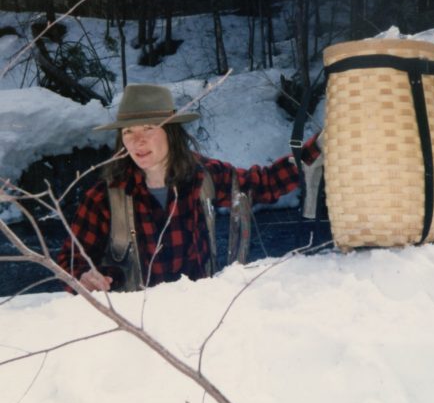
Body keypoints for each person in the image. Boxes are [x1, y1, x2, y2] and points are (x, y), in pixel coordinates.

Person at [56, 84, 321, 292]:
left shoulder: (203, 176)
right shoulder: (104, 196)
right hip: (135, 327)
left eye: (148, 128)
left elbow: (265, 183)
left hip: (197, 316)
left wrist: (316, 149)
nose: (137, 141)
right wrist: (84, 276)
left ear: (171, 132)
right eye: (128, 132)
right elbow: (69, 261)